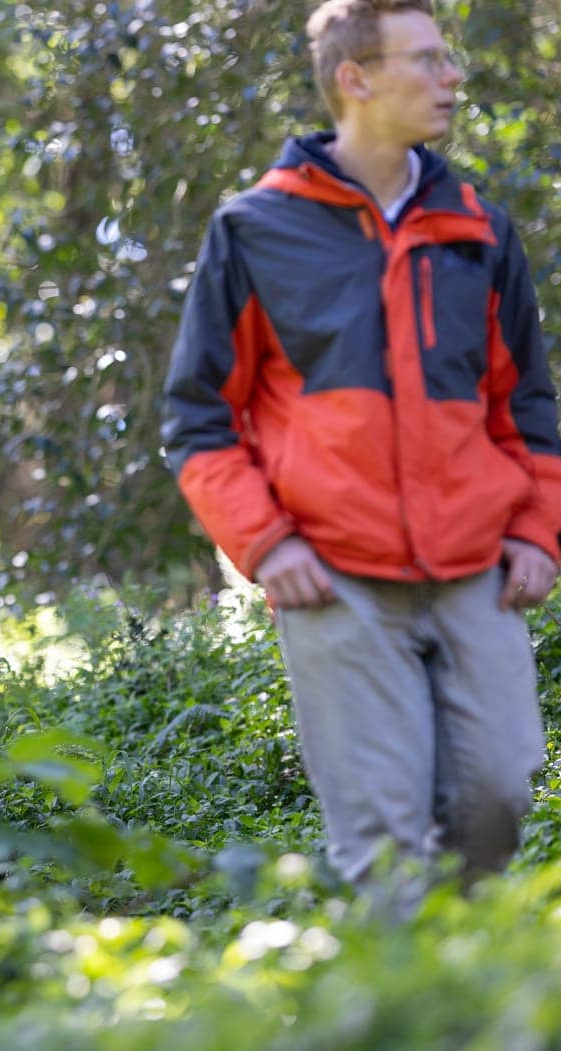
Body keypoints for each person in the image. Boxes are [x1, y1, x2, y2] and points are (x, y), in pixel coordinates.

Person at [163, 0, 561, 900]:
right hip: (334, 573)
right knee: (384, 844)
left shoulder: (482, 231)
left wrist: (539, 532)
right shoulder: (254, 229)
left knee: (497, 793)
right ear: (356, 79)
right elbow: (199, 417)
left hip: (477, 569)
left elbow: (527, 405)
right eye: (426, 59)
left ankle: (458, 996)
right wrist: (269, 544)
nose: (451, 76)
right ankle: (410, 1026)